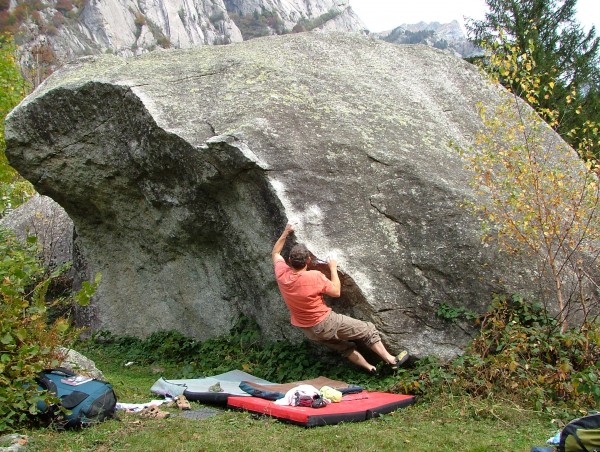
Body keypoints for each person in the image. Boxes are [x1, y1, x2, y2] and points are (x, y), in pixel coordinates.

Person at [271, 223, 409, 373]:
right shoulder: (314, 276)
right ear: (308, 260)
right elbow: (336, 292)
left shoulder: (281, 274)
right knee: (368, 330)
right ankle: (391, 360)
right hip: (325, 322)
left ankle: (370, 368)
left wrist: (286, 232)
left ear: (289, 260)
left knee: (345, 348)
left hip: (308, 329)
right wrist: (332, 267)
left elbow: (276, 253)